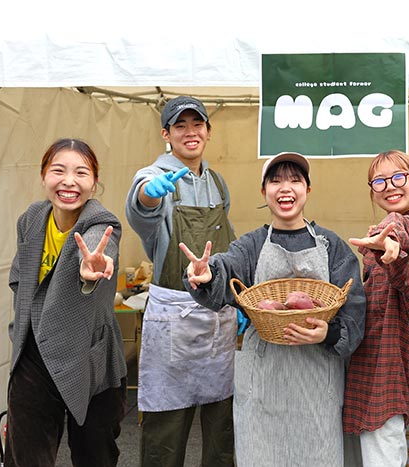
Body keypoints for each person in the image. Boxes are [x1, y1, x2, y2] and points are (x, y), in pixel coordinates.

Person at [180, 152, 366, 467]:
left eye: (295, 180)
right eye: (276, 181)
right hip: (263, 383)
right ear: (263, 191)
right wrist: (206, 273)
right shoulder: (251, 245)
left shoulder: (331, 246)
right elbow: (226, 269)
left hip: (316, 386)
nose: (286, 188)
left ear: (308, 189)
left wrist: (329, 332)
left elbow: (354, 307)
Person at [125, 95, 237, 467]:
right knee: (166, 428)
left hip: (216, 319)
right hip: (173, 318)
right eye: (180, 126)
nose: (190, 132)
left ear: (207, 130)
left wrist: (237, 297)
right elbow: (140, 207)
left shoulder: (218, 183)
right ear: (166, 134)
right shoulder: (155, 175)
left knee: (221, 427)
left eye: (197, 124)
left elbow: (228, 246)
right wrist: (149, 198)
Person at [5, 138, 127, 467]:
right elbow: (21, 279)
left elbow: (100, 251)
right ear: (44, 175)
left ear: (94, 181)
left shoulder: (103, 224)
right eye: (58, 170)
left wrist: (90, 270)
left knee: (94, 454)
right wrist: (19, 332)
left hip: (88, 357)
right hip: (34, 355)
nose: (69, 181)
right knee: (26, 456)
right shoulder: (31, 218)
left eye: (81, 173)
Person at [342, 151, 409, 467]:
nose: (390, 186)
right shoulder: (379, 235)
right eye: (380, 181)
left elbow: (400, 232)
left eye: (399, 177)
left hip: (388, 366)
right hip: (367, 365)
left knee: (384, 453)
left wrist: (390, 243)